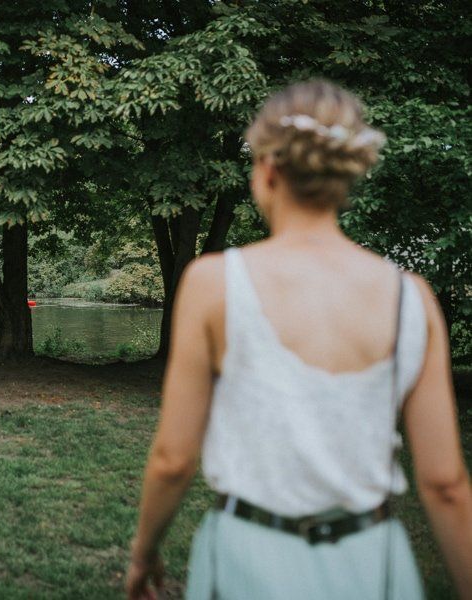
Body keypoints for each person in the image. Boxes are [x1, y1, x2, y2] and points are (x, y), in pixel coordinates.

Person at [126, 81, 472, 600]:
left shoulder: (213, 282)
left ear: (267, 171)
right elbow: (445, 484)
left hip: (247, 560)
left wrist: (143, 553)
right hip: (373, 565)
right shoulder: (412, 298)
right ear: (344, 177)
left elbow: (174, 459)